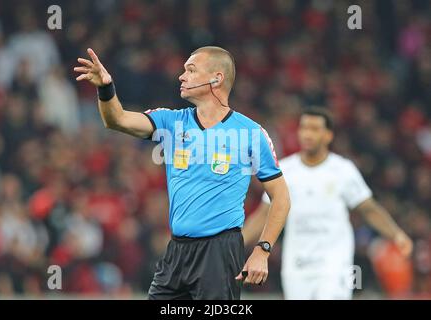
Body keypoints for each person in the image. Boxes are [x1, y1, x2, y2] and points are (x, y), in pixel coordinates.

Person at [74, 46, 291, 300]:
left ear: (216, 78)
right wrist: (105, 87)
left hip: (219, 252)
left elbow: (281, 197)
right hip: (177, 249)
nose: (181, 76)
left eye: (191, 69)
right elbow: (117, 120)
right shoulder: (172, 121)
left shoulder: (250, 133)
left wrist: (262, 250)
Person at [243, 107, 413, 300]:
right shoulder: (286, 171)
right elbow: (264, 214)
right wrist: (238, 243)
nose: (307, 134)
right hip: (297, 264)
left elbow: (368, 208)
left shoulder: (343, 170)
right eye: (304, 128)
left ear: (328, 135)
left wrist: (396, 234)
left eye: (315, 129)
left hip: (335, 264)